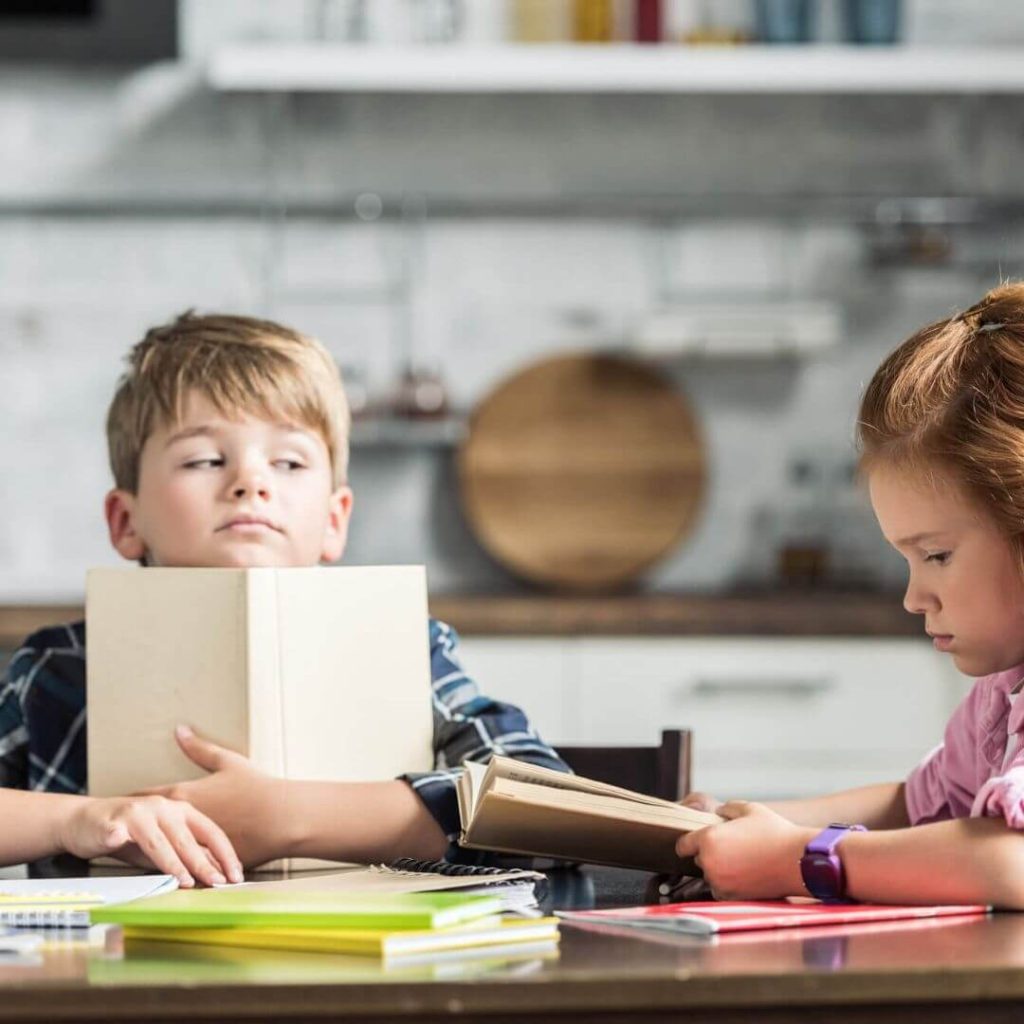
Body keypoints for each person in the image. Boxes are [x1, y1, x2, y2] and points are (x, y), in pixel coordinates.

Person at [0, 312, 567, 883]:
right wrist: (76, 818)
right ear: (126, 521)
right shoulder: (56, 668)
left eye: (289, 462)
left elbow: (547, 803)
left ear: (334, 520)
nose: (251, 482)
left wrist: (287, 816)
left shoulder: (402, 649)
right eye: (204, 460)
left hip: (362, 964)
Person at [676, 283, 1024, 908]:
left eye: (937, 556)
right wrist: (744, 828)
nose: (915, 598)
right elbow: (917, 804)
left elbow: (1011, 859)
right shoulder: (1004, 693)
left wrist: (796, 860)